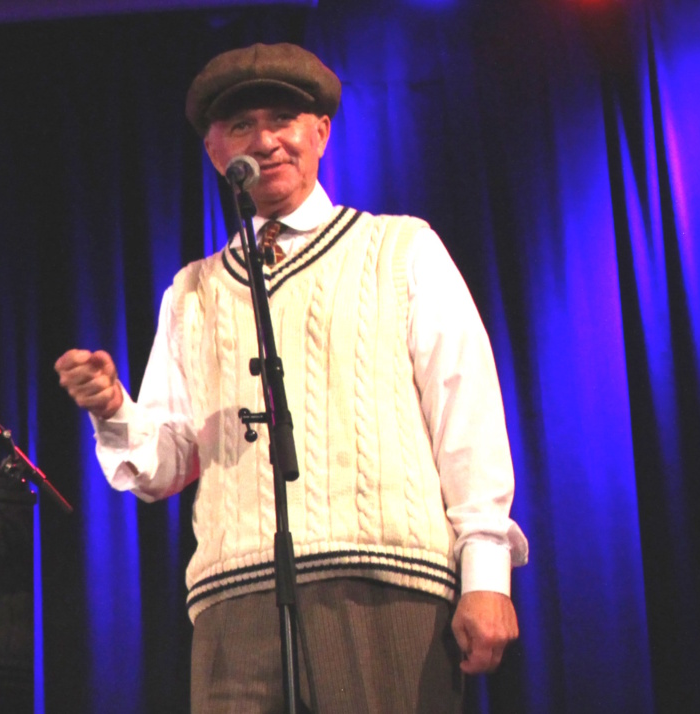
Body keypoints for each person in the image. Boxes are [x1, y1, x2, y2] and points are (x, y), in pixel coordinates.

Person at [56, 42, 528, 713]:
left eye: (282, 119)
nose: (266, 140)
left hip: (380, 587)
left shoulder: (400, 249)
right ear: (217, 152)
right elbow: (165, 466)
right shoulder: (192, 291)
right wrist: (113, 409)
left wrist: (486, 573)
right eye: (242, 127)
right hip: (233, 604)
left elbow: (466, 412)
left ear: (320, 133)